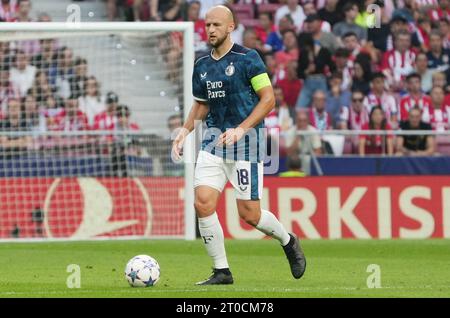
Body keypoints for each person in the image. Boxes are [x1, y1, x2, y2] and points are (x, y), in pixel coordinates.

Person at [171, 5, 306, 285]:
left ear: (231, 27)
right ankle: (222, 270)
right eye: (207, 25)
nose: (210, 30)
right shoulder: (201, 65)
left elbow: (268, 99)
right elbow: (201, 105)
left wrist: (241, 129)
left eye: (216, 25)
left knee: (249, 214)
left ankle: (287, 240)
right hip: (213, 142)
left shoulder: (249, 59)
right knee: (203, 202)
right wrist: (184, 131)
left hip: (247, 143)